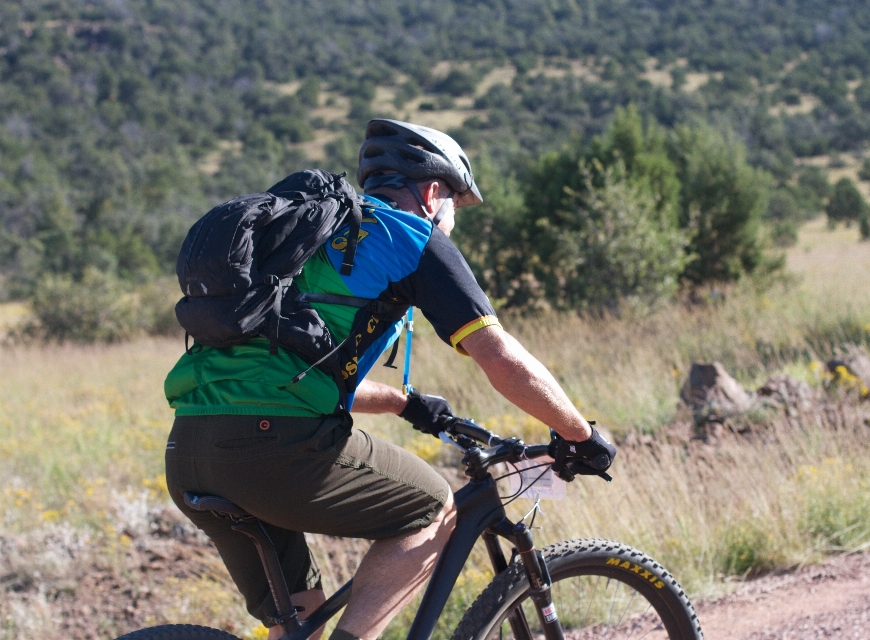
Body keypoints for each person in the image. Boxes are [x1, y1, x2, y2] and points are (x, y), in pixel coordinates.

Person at [163, 119, 616, 640]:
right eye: (454, 209)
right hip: (274, 447)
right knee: (432, 506)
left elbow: (288, 369)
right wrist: (581, 436)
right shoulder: (411, 236)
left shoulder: (304, 238)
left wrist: (406, 404)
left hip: (189, 451)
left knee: (302, 623)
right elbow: (500, 358)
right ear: (432, 193)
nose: (451, 223)